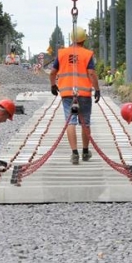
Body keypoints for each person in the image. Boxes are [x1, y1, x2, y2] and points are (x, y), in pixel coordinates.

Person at [49, 26, 101, 165]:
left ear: (72, 38)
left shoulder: (62, 53)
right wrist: (97, 89)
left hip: (67, 93)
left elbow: (52, 72)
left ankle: (74, 153)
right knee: (85, 122)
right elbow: (91, 73)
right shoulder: (87, 54)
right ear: (84, 40)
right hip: (83, 93)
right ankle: (85, 151)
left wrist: (53, 85)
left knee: (70, 121)